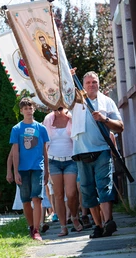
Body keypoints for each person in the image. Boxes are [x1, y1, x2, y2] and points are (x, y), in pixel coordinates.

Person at [70, 70, 124, 239]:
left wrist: (104, 119)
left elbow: (120, 126)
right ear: (83, 85)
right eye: (88, 83)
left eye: (94, 82)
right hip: (81, 152)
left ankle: (108, 222)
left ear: (99, 83)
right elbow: (59, 93)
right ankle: (98, 226)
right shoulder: (75, 100)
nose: (91, 85)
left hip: (102, 150)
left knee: (104, 186)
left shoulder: (107, 102)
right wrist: (66, 74)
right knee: (87, 191)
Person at [9, 97, 50, 241]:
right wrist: (15, 172)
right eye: (25, 108)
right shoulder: (16, 129)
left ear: (34, 109)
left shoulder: (41, 128)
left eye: (30, 108)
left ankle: (37, 229)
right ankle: (31, 226)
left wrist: (47, 170)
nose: (28, 111)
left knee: (37, 198)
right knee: (26, 200)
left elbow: (45, 151)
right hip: (23, 169)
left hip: (37, 167)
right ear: (21, 111)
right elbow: (15, 152)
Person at [43, 107, 82, 237]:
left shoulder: (71, 118)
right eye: (54, 108)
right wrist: (46, 166)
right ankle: (63, 226)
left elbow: (77, 139)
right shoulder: (48, 119)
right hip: (53, 161)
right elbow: (45, 144)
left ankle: (75, 217)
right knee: (58, 195)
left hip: (70, 160)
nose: (57, 111)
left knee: (71, 193)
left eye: (59, 108)